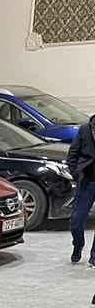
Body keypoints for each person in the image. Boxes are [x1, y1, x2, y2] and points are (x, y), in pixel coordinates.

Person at [67, 112, 95, 265]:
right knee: (76, 221)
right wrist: (76, 174)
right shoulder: (85, 129)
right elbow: (73, 153)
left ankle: (94, 256)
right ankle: (78, 245)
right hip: (87, 182)